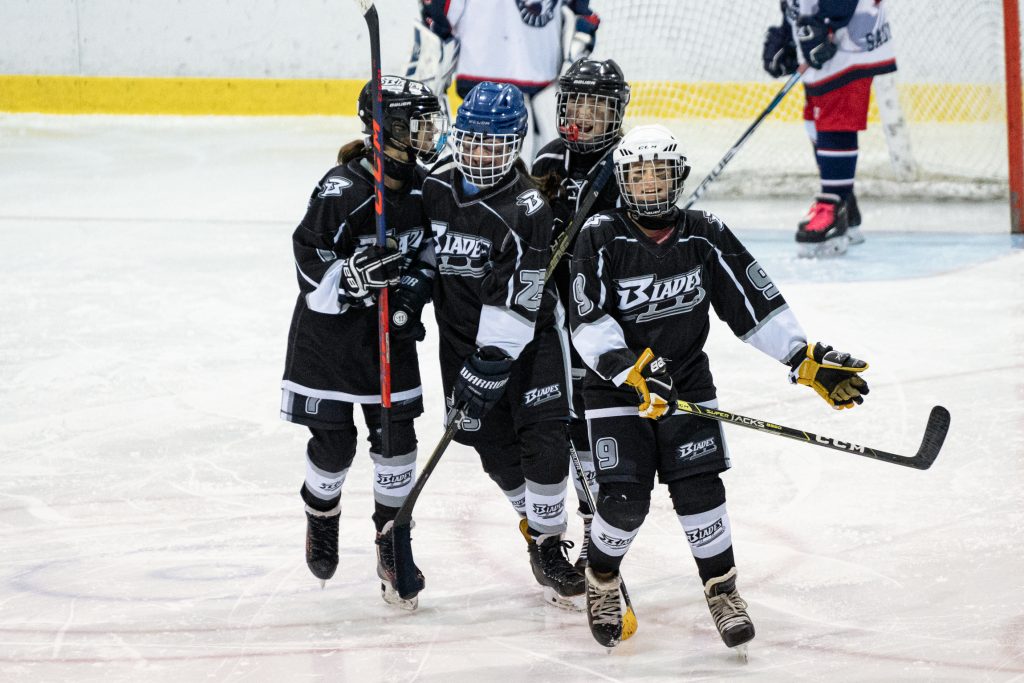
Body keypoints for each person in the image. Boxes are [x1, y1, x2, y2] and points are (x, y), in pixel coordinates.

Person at [569, 124, 870, 649]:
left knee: (700, 488)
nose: (649, 187)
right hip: (617, 391)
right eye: (637, 178)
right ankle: (601, 579)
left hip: (685, 382)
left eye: (659, 176)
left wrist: (803, 357)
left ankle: (722, 589)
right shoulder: (600, 234)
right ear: (623, 183)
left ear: (677, 178)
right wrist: (629, 368)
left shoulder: (704, 233)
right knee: (623, 502)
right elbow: (586, 320)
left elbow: (753, 306)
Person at [280, 75, 448, 610]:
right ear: (386, 129)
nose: (428, 133)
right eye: (416, 124)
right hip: (329, 342)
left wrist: (417, 284)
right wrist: (349, 277)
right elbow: (308, 259)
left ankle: (392, 540)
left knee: (397, 441)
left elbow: (433, 252)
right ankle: (322, 517)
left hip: (389, 335)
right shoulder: (342, 189)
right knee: (334, 447)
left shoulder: (426, 190)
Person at [422, 80, 585, 609]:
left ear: (515, 144)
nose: (480, 153)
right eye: (471, 139)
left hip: (529, 341)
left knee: (545, 441)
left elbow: (521, 299)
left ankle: (548, 543)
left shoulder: (527, 206)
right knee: (490, 448)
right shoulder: (435, 188)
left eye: (494, 143)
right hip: (458, 343)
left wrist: (490, 363)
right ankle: (533, 524)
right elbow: (420, 254)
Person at [532, 57, 631, 569]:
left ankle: (600, 525)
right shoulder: (548, 160)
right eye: (576, 103)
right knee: (566, 423)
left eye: (597, 106)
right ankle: (567, 529)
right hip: (555, 318)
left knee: (601, 424)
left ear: (615, 113)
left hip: (605, 320)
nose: (584, 115)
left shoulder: (628, 166)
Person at [762, 0, 897, 256]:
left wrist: (828, 23)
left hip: (848, 40)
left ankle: (833, 206)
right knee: (815, 121)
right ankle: (844, 201)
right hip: (824, 36)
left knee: (836, 121)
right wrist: (788, 34)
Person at [414, 0, 602, 165]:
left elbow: (581, 17)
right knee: (490, 169)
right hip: (483, 93)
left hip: (544, 87)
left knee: (544, 168)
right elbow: (437, 25)